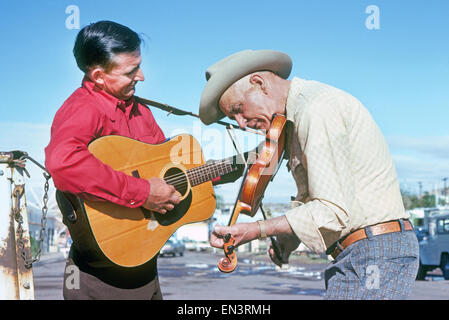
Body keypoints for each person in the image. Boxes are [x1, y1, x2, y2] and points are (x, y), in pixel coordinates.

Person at [199, 49, 419, 300]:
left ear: (259, 83)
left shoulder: (316, 110)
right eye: (232, 117)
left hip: (373, 251)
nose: (240, 123)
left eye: (239, 108)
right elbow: (316, 201)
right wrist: (289, 237)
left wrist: (257, 229)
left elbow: (330, 210)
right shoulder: (292, 122)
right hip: (367, 250)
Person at [45, 21, 242, 300]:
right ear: (99, 76)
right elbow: (64, 163)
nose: (142, 76)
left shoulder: (142, 113)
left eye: (139, 65)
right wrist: (143, 192)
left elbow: (167, 169)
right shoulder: (82, 108)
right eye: (131, 71)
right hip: (98, 277)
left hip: (144, 266)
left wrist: (221, 170)